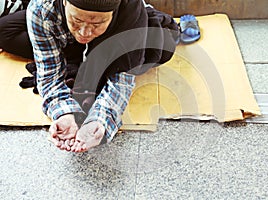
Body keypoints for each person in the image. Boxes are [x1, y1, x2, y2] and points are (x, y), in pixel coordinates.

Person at [0, 0, 179, 152]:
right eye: (76, 21)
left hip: (120, 30)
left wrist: (99, 121)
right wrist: (63, 113)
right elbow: (49, 75)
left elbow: (121, 80)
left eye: (96, 24)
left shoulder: (130, 14)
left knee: (159, 48)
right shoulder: (41, 9)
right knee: (4, 31)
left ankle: (89, 53)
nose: (85, 32)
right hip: (64, 31)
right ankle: (83, 52)